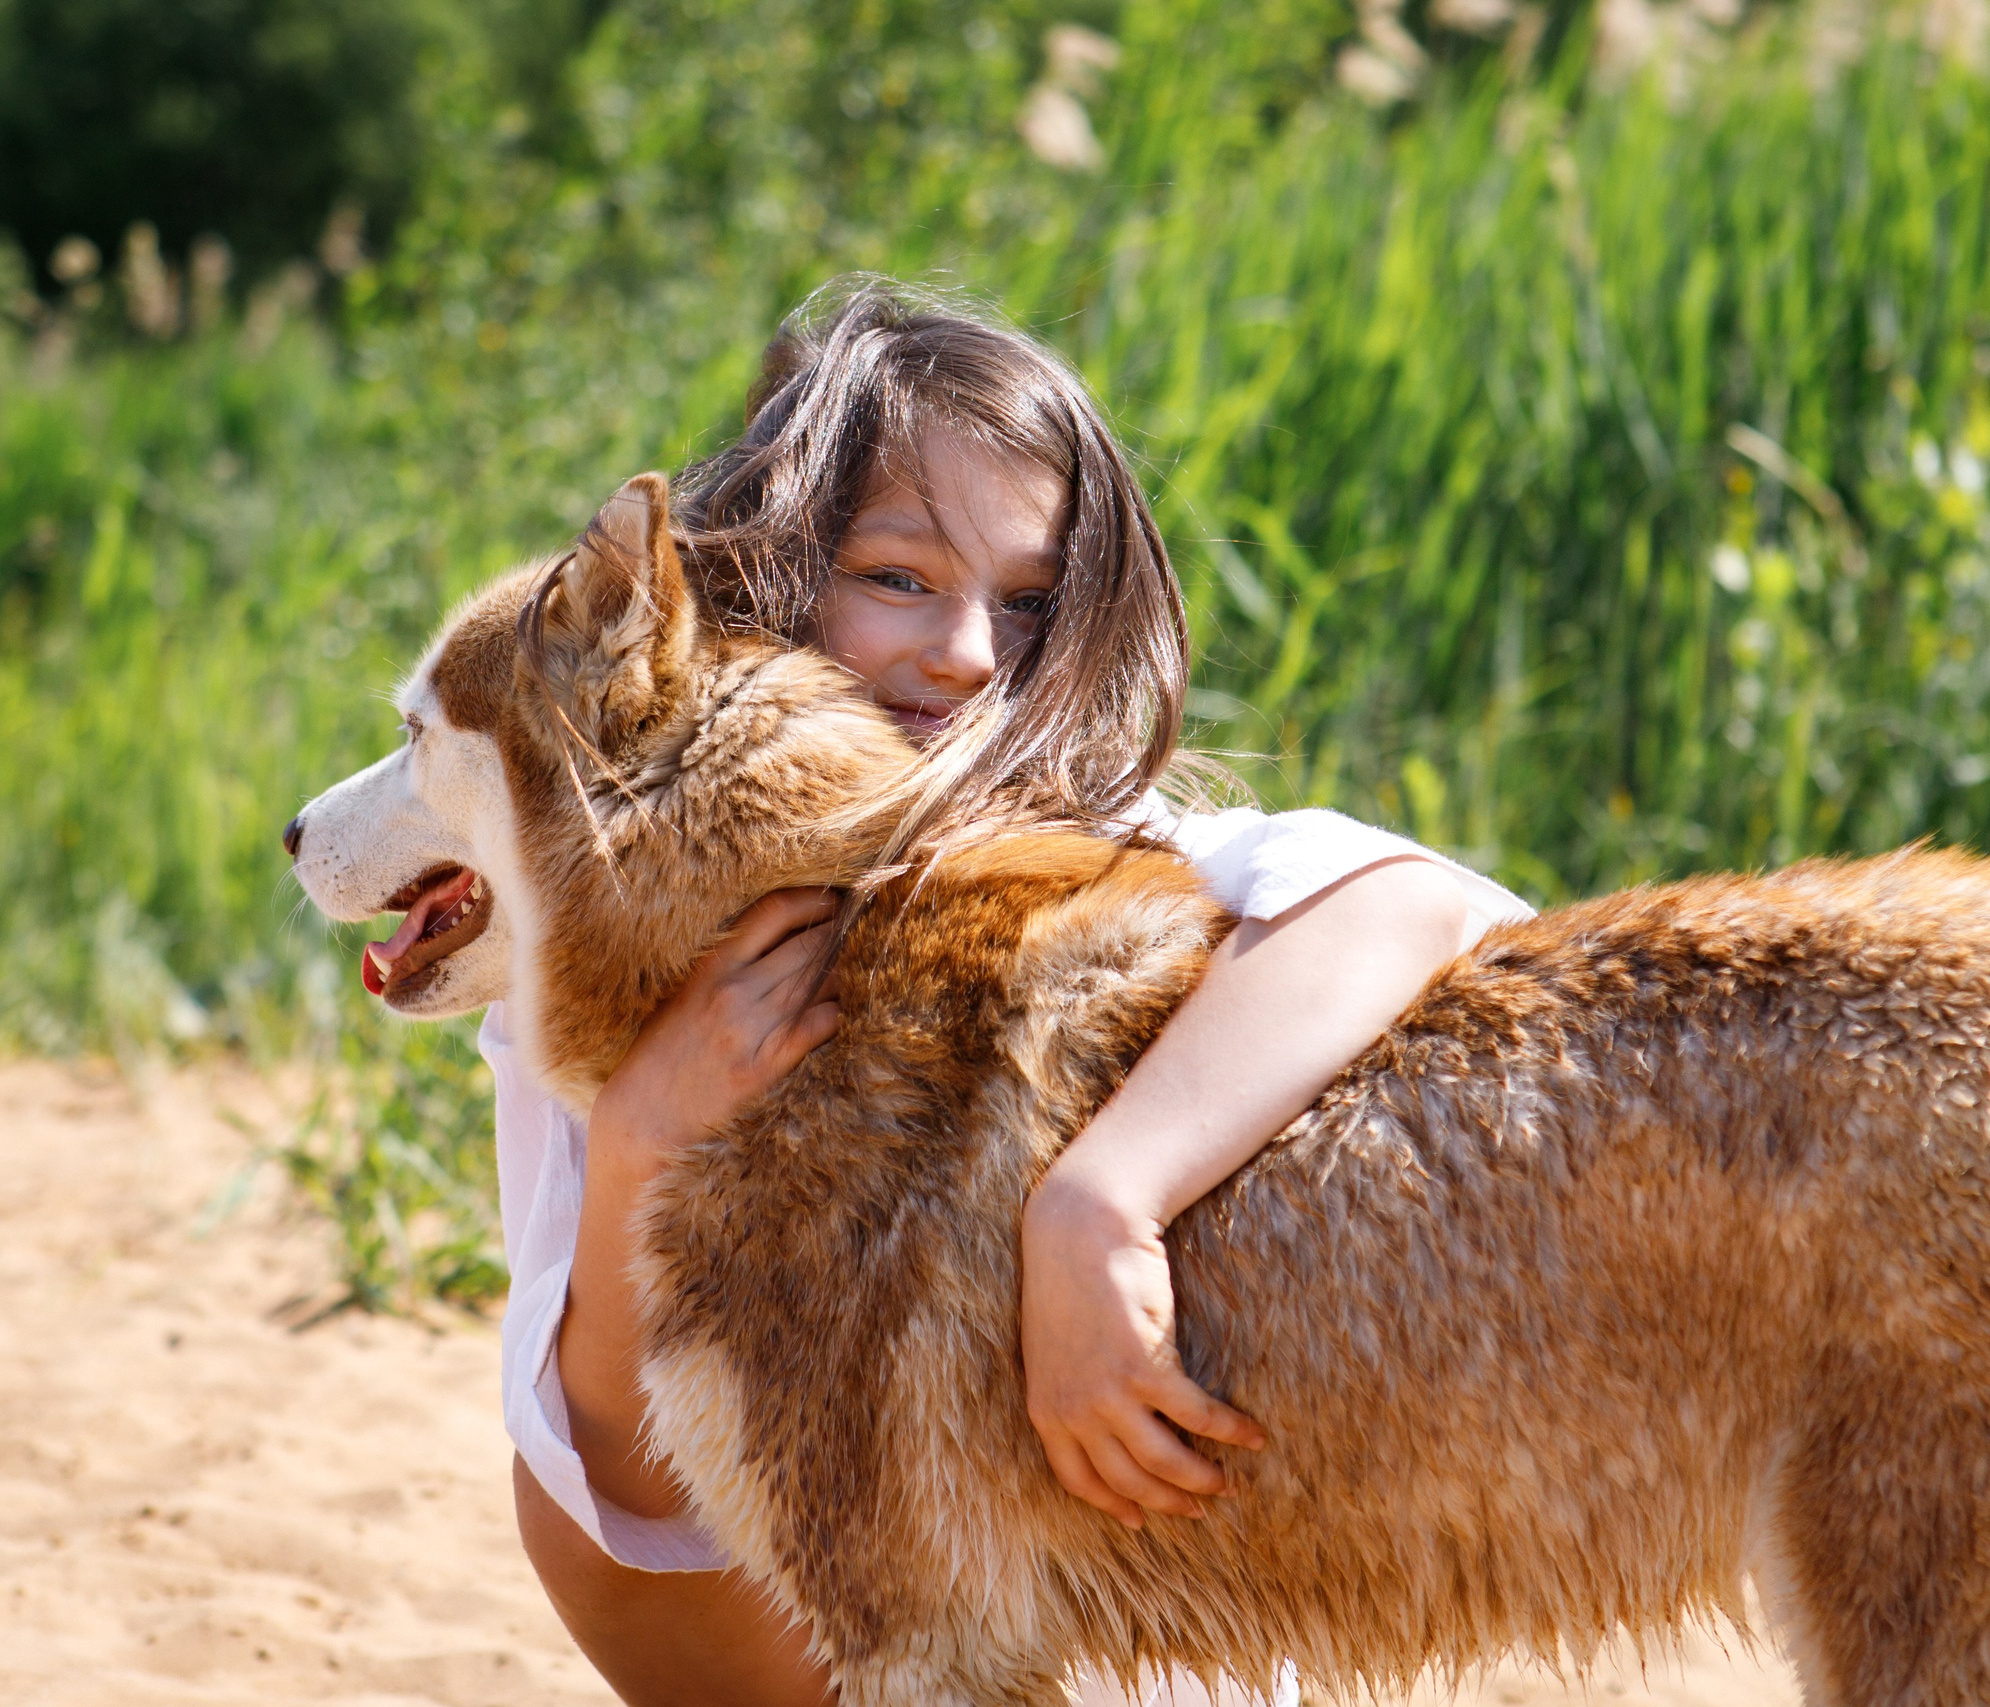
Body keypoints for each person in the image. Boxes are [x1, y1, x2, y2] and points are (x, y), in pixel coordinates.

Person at [486, 278, 1533, 1707]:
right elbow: (609, 1476)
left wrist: (1098, 1200)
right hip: (812, 1643)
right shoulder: (623, 957)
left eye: (1030, 602)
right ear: (769, 570)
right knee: (561, 1496)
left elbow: (1408, 897)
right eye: (898, 577)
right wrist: (634, 1147)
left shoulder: (1107, 871)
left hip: (1128, 1627)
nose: (970, 654)